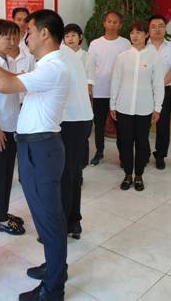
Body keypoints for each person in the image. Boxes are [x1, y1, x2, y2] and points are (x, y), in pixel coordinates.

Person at [0, 9, 69, 301]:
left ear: (44, 33)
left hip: (41, 149)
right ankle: (54, 267)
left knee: (49, 219)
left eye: (29, 31)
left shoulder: (53, 67)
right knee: (45, 216)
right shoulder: (46, 66)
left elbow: (4, 85)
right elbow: (12, 79)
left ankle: (53, 289)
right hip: (36, 147)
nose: (24, 38)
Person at [110, 21, 164, 191]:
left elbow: (158, 84)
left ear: (146, 35)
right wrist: (113, 104)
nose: (135, 36)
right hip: (123, 107)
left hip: (144, 108)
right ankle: (127, 174)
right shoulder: (122, 57)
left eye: (139, 32)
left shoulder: (153, 56)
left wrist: (158, 107)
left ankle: (139, 175)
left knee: (141, 142)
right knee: (125, 142)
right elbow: (116, 81)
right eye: (132, 33)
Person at [0, 19, 25, 236]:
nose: (11, 41)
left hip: (11, 126)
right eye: (6, 37)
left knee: (8, 172)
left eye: (14, 37)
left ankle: (3, 212)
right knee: (0, 175)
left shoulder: (9, 61)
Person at [59, 44, 93, 239]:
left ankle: (64, 224)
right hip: (80, 119)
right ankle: (74, 221)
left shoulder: (56, 57)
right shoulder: (68, 54)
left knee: (65, 175)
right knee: (73, 174)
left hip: (70, 121)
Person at [88, 11, 131, 166]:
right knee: (99, 125)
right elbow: (90, 67)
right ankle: (99, 152)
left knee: (121, 126)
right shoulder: (95, 44)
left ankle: (123, 155)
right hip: (100, 91)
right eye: (109, 21)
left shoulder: (125, 43)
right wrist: (89, 87)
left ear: (120, 25)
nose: (112, 25)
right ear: (104, 23)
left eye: (115, 22)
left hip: (119, 92)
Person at [147, 15, 171, 169]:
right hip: (144, 92)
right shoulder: (143, 46)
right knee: (143, 124)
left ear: (165, 28)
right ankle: (144, 153)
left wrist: (159, 85)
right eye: (153, 26)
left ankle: (160, 155)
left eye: (161, 26)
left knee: (163, 125)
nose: (157, 29)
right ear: (149, 30)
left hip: (164, 90)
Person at [9, 7, 35, 103]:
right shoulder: (6, 40)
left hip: (26, 95)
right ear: (13, 20)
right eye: (19, 20)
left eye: (25, 20)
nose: (22, 23)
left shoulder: (33, 39)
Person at [63, 23, 95, 97]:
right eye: (67, 36)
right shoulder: (60, 56)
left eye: (73, 35)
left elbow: (90, 81)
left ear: (80, 37)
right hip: (63, 96)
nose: (70, 39)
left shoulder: (87, 57)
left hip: (81, 96)